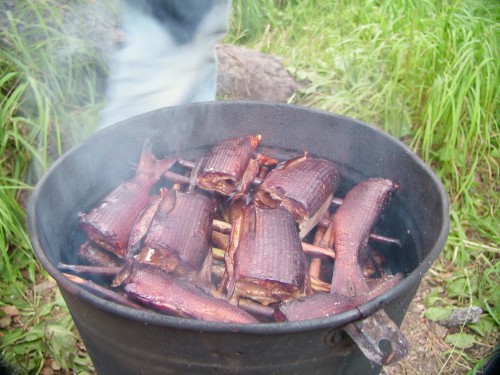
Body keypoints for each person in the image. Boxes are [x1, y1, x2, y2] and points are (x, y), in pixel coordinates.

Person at [99, 0, 231, 128]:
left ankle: (197, 135)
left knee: (132, 118)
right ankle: (195, 135)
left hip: (177, 14)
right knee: (196, 46)